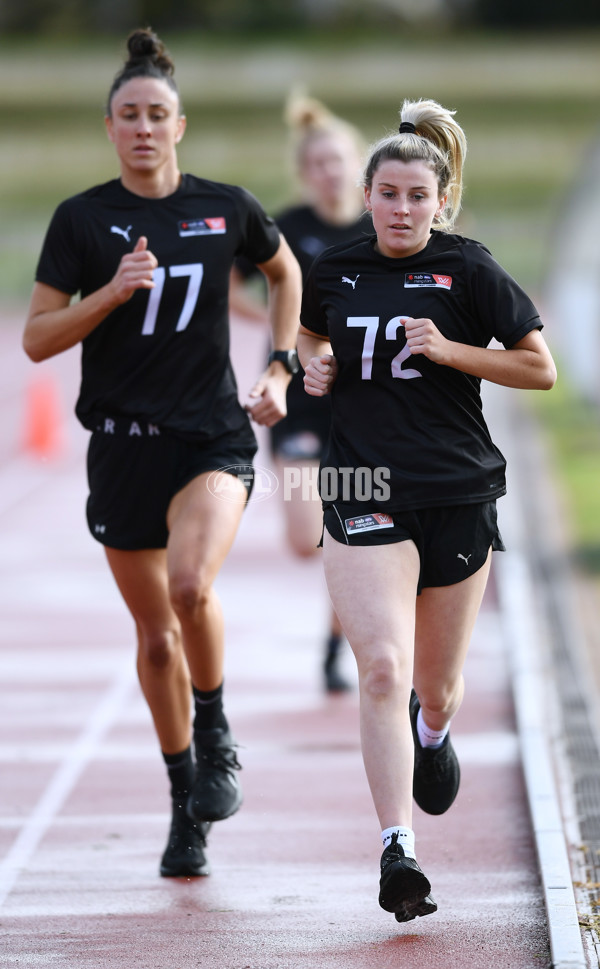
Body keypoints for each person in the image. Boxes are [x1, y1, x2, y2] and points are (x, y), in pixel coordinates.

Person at [22, 28, 301, 879]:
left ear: (180, 126)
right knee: (153, 641)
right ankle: (186, 801)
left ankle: (216, 732)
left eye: (158, 114)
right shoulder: (82, 219)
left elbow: (285, 275)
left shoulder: (224, 206)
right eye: (128, 115)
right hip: (122, 448)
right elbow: (36, 339)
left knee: (190, 586)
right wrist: (110, 292)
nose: (144, 127)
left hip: (211, 437)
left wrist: (281, 367)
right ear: (109, 128)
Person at [297, 98, 556, 922]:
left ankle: (435, 730)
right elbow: (310, 339)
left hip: (456, 489)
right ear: (367, 196)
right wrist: (312, 368)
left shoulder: (469, 268)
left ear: (440, 200)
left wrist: (450, 350)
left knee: (435, 688)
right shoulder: (333, 268)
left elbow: (538, 368)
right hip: (361, 486)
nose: (402, 209)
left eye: (418, 196)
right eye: (389, 194)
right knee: (382, 666)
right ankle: (396, 849)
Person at [231, 93, 369, 692]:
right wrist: (278, 326)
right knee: (306, 536)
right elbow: (228, 285)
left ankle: (338, 643)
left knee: (352, 526)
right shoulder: (285, 228)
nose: (329, 172)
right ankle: (343, 623)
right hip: (297, 395)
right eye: (317, 163)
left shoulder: (381, 224)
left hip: (367, 398)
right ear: (304, 172)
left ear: (357, 162)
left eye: (337, 160)